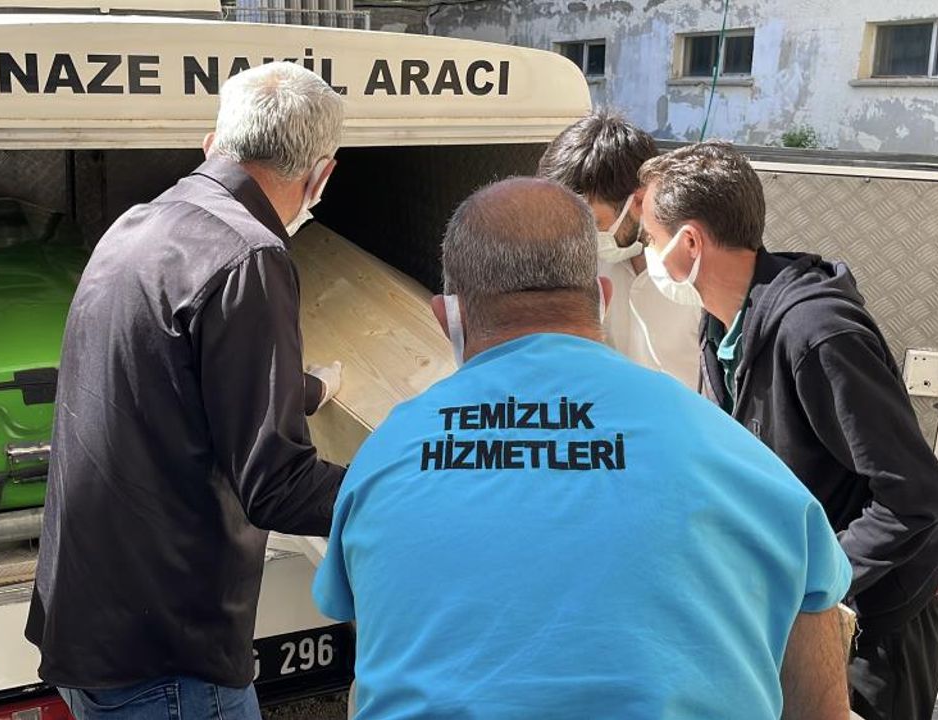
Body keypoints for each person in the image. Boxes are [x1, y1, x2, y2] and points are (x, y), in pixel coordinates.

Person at [312, 177, 853, 719]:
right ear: (602, 297)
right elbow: (821, 694)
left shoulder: (385, 457)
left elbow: (373, 627)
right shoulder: (738, 459)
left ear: (447, 317)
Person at [26, 62, 347, 719]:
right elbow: (276, 486)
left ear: (211, 143)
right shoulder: (251, 257)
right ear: (321, 175)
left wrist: (305, 389)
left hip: (95, 626)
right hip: (168, 662)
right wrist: (412, 485)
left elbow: (176, 376)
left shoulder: (142, 224)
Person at [636, 141, 938, 720]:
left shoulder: (817, 333)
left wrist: (817, 581)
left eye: (651, 239)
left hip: (881, 618)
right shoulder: (722, 324)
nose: (646, 255)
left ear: (690, 243)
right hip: (807, 608)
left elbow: (914, 495)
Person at [537, 112, 701, 388]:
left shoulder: (697, 274)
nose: (580, 239)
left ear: (639, 201)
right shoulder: (582, 271)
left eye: (591, 223)